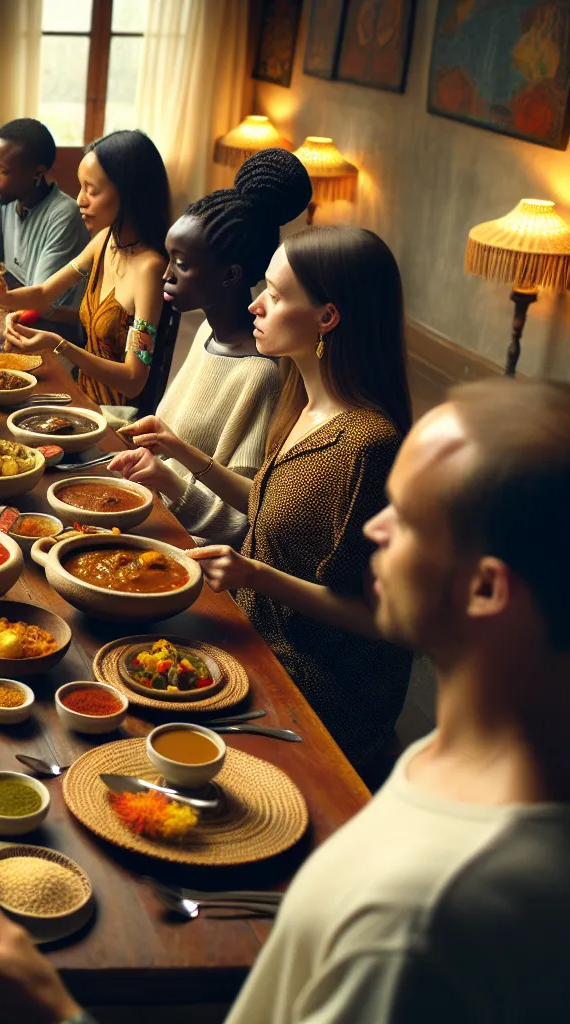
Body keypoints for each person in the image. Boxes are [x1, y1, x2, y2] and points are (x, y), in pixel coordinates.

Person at [0, 377, 570, 1024]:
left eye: (406, 518)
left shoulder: (416, 918)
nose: (373, 528)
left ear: (487, 588)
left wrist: (52, 1013)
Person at [158, 226, 413, 767]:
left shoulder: (369, 445)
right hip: (254, 631)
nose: (254, 304)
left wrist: (254, 574)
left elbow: (383, 619)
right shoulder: (301, 395)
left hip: (316, 682)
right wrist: (183, 454)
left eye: (273, 295)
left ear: (327, 317)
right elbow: (277, 507)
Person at [106, 148, 310, 545]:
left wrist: (169, 482)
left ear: (230, 275)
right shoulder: (204, 334)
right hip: (149, 512)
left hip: (184, 547)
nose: (165, 274)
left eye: (181, 264)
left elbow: (240, 523)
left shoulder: (261, 372)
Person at [0, 130, 171, 411]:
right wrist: (2, 297)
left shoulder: (150, 269)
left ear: (129, 192)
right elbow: (45, 293)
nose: (80, 200)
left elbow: (134, 379)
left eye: (92, 190)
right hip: (81, 398)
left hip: (114, 417)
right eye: (80, 187)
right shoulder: (105, 241)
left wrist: (60, 345)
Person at [0, 118, 89, 317]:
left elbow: (41, 300)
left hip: (50, 326)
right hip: (14, 302)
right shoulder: (10, 200)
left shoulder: (63, 215)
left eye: (2, 170)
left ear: (36, 173)